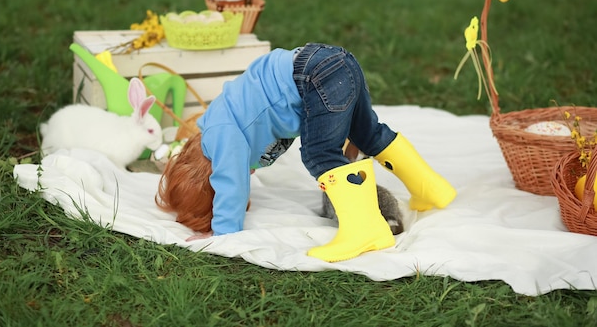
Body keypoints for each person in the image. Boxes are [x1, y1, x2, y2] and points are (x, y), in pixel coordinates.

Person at [156, 42, 456, 262]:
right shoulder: (225, 116)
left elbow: (230, 182)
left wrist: (222, 234)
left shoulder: (220, 135)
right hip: (334, 62)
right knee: (368, 132)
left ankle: (365, 228)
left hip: (314, 75)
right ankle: (430, 188)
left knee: (318, 153)